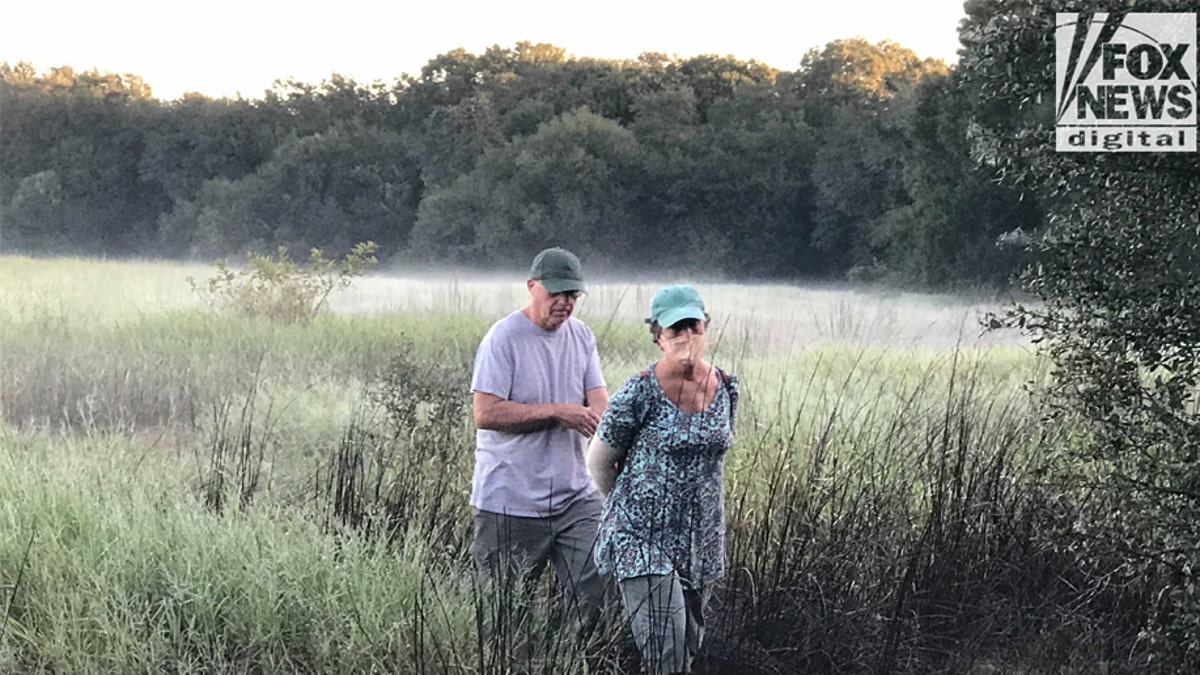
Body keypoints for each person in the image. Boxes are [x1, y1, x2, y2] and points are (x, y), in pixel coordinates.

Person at [586, 284, 738, 674]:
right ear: (658, 337)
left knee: (687, 645)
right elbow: (600, 463)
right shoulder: (638, 392)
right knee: (666, 651)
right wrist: (633, 510)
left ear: (707, 327)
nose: (687, 337)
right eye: (675, 330)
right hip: (642, 538)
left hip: (702, 538)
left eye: (694, 326)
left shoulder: (726, 387)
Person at [469, 246, 609, 625]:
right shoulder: (503, 338)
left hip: (575, 497)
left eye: (572, 295)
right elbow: (486, 413)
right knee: (500, 613)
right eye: (557, 293)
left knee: (597, 585)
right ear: (532, 287)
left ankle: (569, 657)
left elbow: (599, 402)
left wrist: (604, 423)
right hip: (509, 501)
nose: (565, 303)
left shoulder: (581, 337)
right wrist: (556, 412)